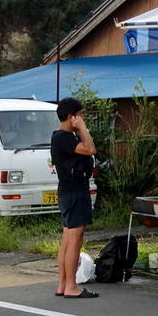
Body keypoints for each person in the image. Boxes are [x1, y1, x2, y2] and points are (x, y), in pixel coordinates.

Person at [51, 97, 97, 299]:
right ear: (72, 117)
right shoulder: (65, 137)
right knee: (75, 239)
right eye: (81, 115)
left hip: (67, 190)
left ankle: (63, 284)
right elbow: (90, 149)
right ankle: (71, 285)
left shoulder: (59, 136)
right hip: (75, 191)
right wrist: (83, 128)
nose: (83, 118)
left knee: (68, 239)